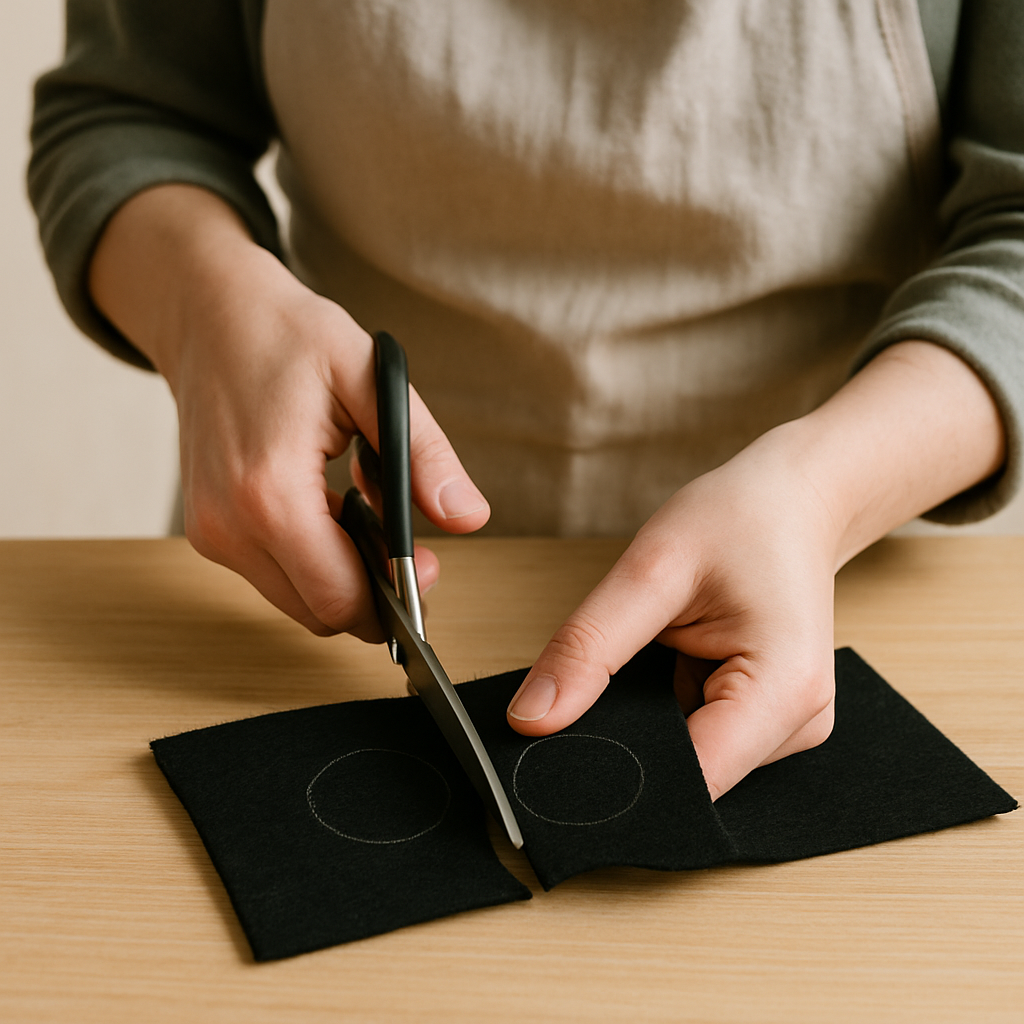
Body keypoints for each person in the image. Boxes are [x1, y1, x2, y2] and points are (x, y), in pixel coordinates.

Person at [29, 0, 1022, 801]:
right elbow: (128, 114)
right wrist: (207, 312)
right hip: (316, 585)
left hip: (838, 600)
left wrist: (822, 495)